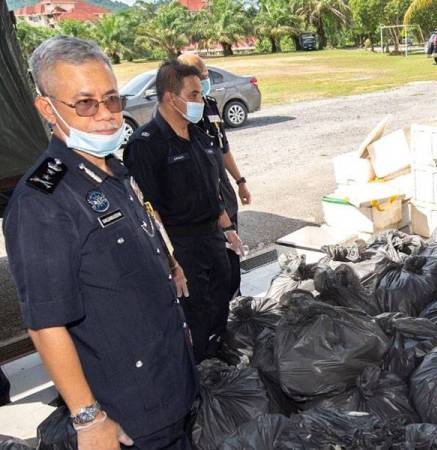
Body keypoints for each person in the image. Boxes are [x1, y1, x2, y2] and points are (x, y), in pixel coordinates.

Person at [3, 36, 197, 450]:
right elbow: (45, 323)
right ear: (47, 108)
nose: (107, 115)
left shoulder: (112, 169)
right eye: (86, 103)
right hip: (128, 411)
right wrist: (89, 419)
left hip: (171, 381)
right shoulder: (43, 202)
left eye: (112, 99)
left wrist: (170, 264)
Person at [124, 60, 245, 364]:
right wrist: (171, 261)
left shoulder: (200, 137)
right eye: (192, 95)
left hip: (212, 237)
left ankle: (216, 351)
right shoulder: (145, 145)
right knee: (194, 312)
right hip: (181, 244)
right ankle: (198, 367)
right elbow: (147, 213)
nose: (200, 101)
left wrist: (228, 229)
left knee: (221, 297)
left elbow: (212, 192)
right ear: (169, 97)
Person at [177, 53, 251, 299]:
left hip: (226, 198)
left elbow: (223, 148)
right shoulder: (180, 118)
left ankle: (238, 308)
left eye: (207, 75)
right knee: (216, 270)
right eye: (203, 76)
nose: (207, 80)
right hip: (206, 209)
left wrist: (240, 181)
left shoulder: (209, 106)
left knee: (234, 262)